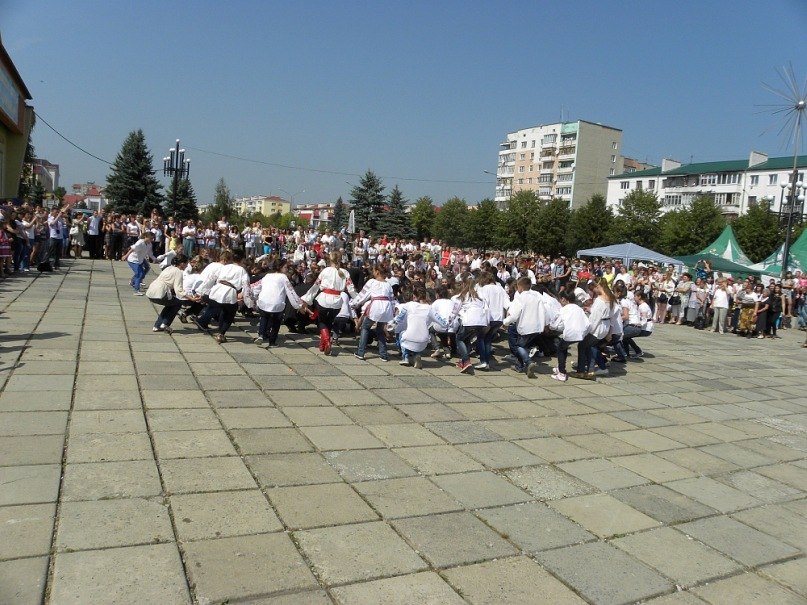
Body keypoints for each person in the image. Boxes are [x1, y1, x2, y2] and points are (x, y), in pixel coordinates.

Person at [302, 251, 358, 355]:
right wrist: (359, 300)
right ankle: (323, 344)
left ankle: (327, 340)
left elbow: (316, 285)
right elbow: (351, 289)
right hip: (337, 301)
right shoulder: (345, 272)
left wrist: (306, 299)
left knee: (322, 322)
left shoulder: (325, 271)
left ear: (329, 259)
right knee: (330, 322)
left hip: (324, 299)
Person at [195, 250, 253, 343]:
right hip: (229, 292)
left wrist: (201, 291)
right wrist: (249, 302)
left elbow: (211, 278)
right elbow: (246, 286)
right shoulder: (242, 271)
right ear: (242, 259)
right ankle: (221, 333)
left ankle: (219, 332)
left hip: (217, 290)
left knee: (223, 309)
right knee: (229, 313)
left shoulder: (224, 267)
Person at [253, 258, 306, 347]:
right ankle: (272, 342)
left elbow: (256, 287)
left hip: (264, 301)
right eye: (285, 267)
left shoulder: (267, 276)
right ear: (280, 267)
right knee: (276, 323)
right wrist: (298, 305)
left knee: (264, 318)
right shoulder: (283, 277)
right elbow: (291, 291)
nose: (286, 269)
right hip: (277, 303)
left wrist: (253, 297)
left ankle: (261, 335)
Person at [502, 277, 546, 378]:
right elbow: (543, 311)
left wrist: (505, 322)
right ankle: (520, 366)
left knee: (519, 346)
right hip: (536, 327)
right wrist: (542, 325)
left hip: (525, 327)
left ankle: (528, 362)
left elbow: (514, 315)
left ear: (520, 287)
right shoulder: (537, 297)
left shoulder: (520, 298)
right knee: (524, 346)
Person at [352, 266, 395, 361]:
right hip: (386, 308)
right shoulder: (388, 285)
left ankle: (361, 352)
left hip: (376, 306)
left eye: (374, 270)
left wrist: (354, 304)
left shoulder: (372, 282)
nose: (373, 272)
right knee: (380, 330)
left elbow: (363, 294)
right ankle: (383, 354)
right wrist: (392, 311)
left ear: (377, 272)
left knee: (365, 327)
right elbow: (392, 299)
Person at [145, 254, 195, 332]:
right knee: (178, 303)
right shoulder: (178, 272)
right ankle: (165, 324)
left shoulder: (169, 268)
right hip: (160, 292)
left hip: (151, 291)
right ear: (182, 263)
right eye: (186, 263)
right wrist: (191, 298)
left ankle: (157, 326)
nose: (186, 266)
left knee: (170, 304)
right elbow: (179, 290)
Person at [391, 285, 437, 369]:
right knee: (413, 339)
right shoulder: (430, 308)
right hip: (424, 340)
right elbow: (443, 322)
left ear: (414, 296)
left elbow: (399, 319)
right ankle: (417, 355)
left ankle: (405, 358)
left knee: (402, 334)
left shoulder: (408, 305)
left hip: (410, 337)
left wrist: (393, 321)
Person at [549, 291, 590, 382]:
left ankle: (562, 373)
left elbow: (554, 325)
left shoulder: (563, 309)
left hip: (570, 333)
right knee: (564, 347)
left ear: (563, 299)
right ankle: (560, 367)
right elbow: (587, 323)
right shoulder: (579, 309)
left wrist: (551, 326)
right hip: (581, 334)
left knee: (560, 350)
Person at [454, 278, 490, 373]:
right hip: (481, 322)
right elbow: (487, 309)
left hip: (469, 321)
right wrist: (487, 322)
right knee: (467, 339)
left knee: (459, 339)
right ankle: (463, 361)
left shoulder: (463, 295)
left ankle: (466, 361)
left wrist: (449, 322)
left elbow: (455, 310)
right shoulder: (480, 296)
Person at [475, 271, 509, 370]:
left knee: (481, 339)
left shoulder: (484, 289)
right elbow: (507, 304)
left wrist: (486, 321)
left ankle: (484, 361)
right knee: (488, 340)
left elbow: (484, 305)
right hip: (499, 319)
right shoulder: (500, 289)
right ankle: (487, 362)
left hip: (488, 318)